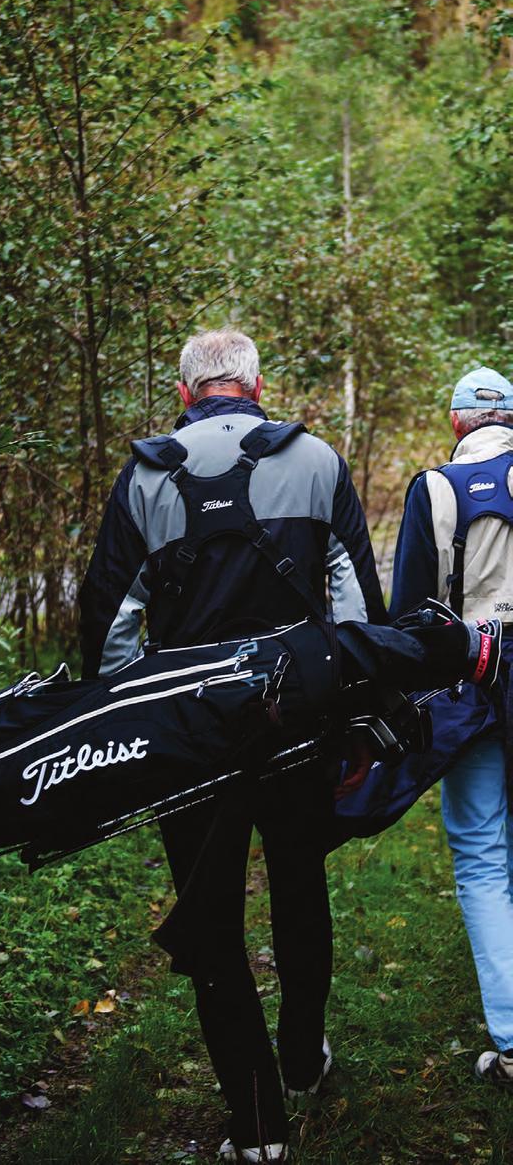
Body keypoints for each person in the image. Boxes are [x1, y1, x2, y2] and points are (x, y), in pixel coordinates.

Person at [78, 329, 386, 1163]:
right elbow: (358, 608)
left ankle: (253, 1123)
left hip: (189, 738)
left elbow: (109, 628)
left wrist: (132, 726)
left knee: (210, 918)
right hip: (298, 727)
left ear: (185, 394)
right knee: (298, 881)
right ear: (257, 386)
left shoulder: (144, 474)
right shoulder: (317, 460)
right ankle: (301, 1058)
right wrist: (352, 712)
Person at [389, 365, 513, 1090]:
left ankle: (510, 1036)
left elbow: (412, 616)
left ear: (457, 422)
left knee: (479, 854)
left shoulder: (435, 489)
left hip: (470, 685)